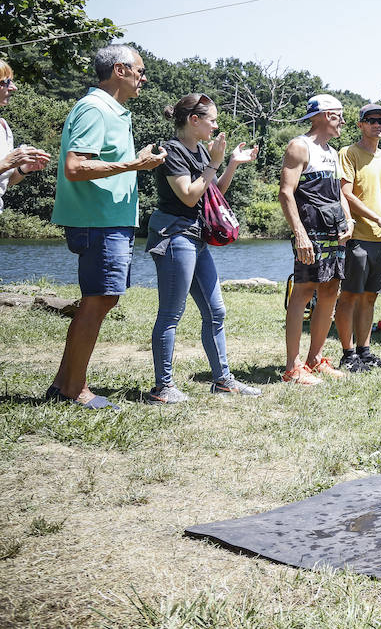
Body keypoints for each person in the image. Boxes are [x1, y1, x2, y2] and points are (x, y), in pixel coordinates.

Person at [49, 45, 166, 409]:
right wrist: (134, 164)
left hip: (107, 221)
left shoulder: (112, 111)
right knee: (98, 301)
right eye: (140, 71)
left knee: (101, 300)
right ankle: (74, 389)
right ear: (120, 69)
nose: (143, 78)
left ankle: (64, 384)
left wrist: (135, 163)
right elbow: (75, 167)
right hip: (97, 222)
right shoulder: (95, 109)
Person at [146, 93, 261, 402]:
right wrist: (213, 162)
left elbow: (211, 193)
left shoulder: (198, 151)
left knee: (215, 311)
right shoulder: (171, 151)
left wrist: (231, 164)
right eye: (211, 119)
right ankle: (163, 387)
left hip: (195, 237)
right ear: (193, 120)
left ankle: (224, 381)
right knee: (171, 313)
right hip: (173, 236)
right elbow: (188, 196)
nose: (215, 125)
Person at [278, 93, 353, 385]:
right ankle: (292, 367)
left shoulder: (332, 152)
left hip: (334, 230)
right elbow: (286, 192)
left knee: (331, 289)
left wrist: (348, 220)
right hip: (310, 229)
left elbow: (338, 193)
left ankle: (315, 359)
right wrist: (299, 234)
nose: (343, 121)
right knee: (304, 290)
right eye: (338, 115)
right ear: (322, 115)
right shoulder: (299, 146)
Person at [337, 103, 381, 372]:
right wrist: (376, 218)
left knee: (371, 298)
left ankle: (365, 352)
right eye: (371, 120)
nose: (377, 124)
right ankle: (347, 353)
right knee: (350, 296)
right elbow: (347, 194)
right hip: (358, 237)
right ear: (361, 124)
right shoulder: (348, 153)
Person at [0, 58, 53, 214]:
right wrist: (7, 162)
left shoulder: (3, 127)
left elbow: (5, 182)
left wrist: (23, 168)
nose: (14, 88)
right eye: (6, 82)